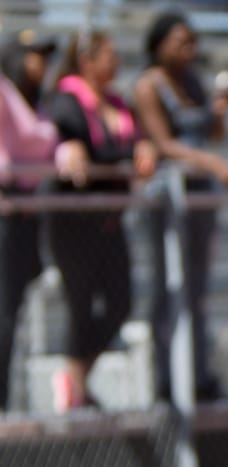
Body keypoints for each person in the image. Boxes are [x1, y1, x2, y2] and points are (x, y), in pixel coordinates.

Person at [133, 10, 228, 404]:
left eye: (193, 42)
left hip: (200, 196)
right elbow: (163, 144)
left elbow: (215, 133)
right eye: (181, 42)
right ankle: (168, 378)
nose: (189, 49)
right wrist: (211, 163)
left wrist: (220, 111)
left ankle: (197, 375)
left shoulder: (193, 82)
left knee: (197, 289)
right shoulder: (148, 86)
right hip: (169, 196)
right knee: (170, 287)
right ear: (159, 44)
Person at [45, 30, 157, 412]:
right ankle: (76, 386)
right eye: (108, 55)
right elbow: (85, 147)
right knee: (81, 304)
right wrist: (127, 155)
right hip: (74, 222)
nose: (116, 62)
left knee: (120, 304)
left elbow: (126, 146)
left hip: (111, 220)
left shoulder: (118, 104)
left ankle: (75, 376)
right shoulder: (66, 99)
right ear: (87, 62)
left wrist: (142, 148)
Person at [0, 30, 87, 411]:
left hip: (24, 218)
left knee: (9, 315)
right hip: (6, 215)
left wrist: (68, 151)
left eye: (46, 56)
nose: (42, 63)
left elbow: (51, 146)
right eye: (34, 55)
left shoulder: (39, 102)